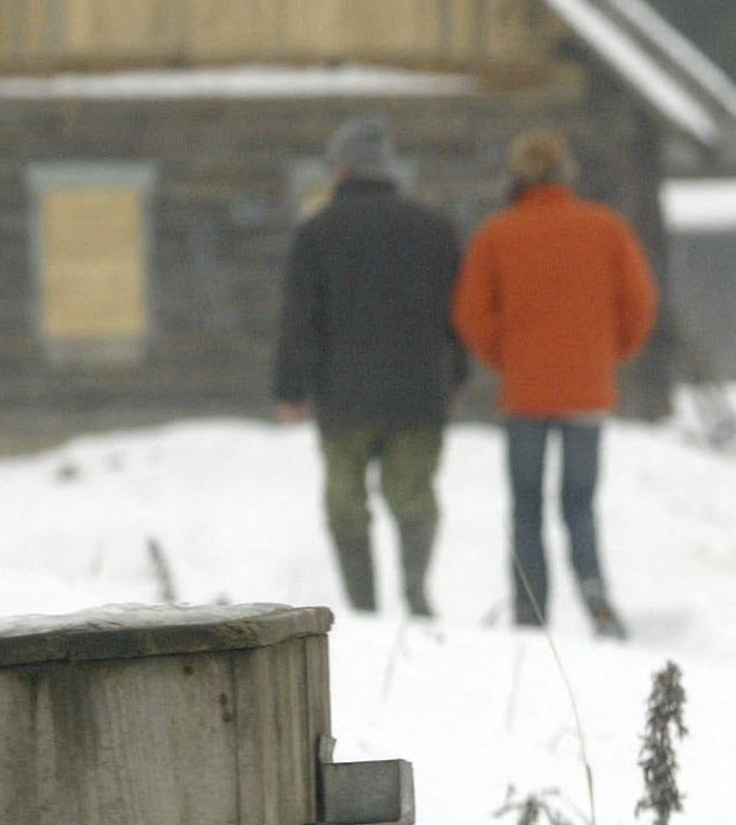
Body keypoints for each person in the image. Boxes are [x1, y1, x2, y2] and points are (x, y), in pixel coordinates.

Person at [453, 128, 658, 637]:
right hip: (587, 390)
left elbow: (471, 312)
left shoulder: (497, 234)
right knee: (580, 504)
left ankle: (529, 610)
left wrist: (506, 356)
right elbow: (640, 304)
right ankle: (595, 594)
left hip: (524, 393)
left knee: (526, 506)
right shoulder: (606, 228)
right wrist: (607, 354)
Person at [272, 114, 466, 619]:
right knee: (414, 496)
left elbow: (300, 320)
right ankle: (416, 593)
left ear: (341, 168)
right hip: (418, 392)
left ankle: (363, 609)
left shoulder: (317, 233)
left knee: (346, 503)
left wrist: (290, 390)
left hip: (344, 395)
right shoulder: (433, 228)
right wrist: (457, 376)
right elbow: (458, 314)